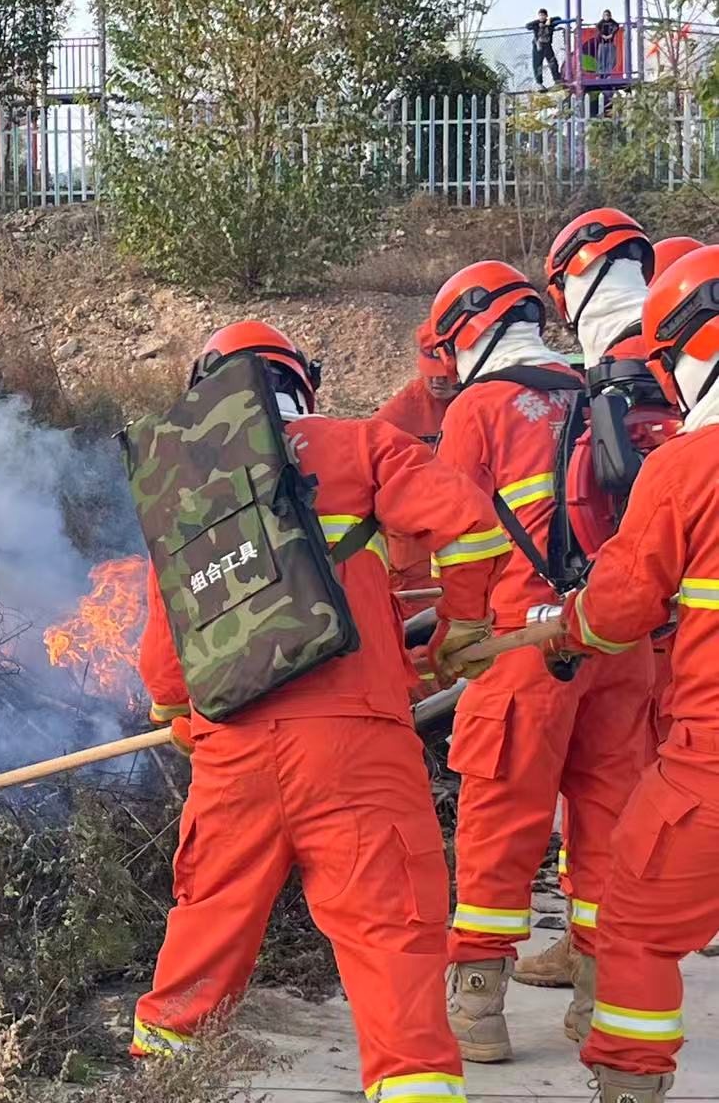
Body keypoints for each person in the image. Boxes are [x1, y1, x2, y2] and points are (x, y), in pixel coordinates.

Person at [133, 321, 510, 1103]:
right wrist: (462, 624)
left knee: (206, 929)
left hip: (235, 751)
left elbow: (166, 666)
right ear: (301, 381)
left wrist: (183, 721)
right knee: (393, 943)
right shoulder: (361, 444)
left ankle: (160, 1078)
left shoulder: (184, 482)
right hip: (357, 746)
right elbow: (469, 524)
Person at [427, 261, 654, 1063]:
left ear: (464, 332)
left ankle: (479, 1005)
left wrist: (453, 632)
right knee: (610, 823)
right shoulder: (608, 392)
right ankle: (598, 1001)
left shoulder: (481, 408)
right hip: (615, 646)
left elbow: (458, 537)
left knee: (500, 815)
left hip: (524, 646)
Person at [546, 246, 719, 1103]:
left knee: (636, 927)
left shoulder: (687, 469)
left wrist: (561, 628)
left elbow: (617, 610)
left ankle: (628, 1086)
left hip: (710, 765)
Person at [510, 210, 669, 993]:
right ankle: (593, 954)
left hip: (643, 618)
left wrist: (579, 616)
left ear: (574, 277)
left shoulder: (626, 364)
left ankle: (627, 952)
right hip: (651, 622)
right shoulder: (660, 355)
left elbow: (615, 513)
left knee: (634, 786)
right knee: (614, 786)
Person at [377, 320, 460, 601]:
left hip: (468, 542)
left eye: (444, 373)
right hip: (414, 556)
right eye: (429, 372)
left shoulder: (482, 403)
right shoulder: (397, 415)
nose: (437, 380)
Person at [527, 9, 566, 89]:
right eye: (540, 15)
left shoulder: (550, 23)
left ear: (546, 16)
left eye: (543, 15)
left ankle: (557, 79)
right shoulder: (536, 24)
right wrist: (538, 23)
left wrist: (549, 20)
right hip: (538, 46)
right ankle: (539, 83)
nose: (542, 17)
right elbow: (527, 26)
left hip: (547, 46)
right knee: (538, 65)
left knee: (553, 62)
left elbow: (559, 18)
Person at [596, 9, 621, 78]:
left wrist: (612, 34)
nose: (606, 17)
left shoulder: (613, 22)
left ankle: (607, 74)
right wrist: (603, 35)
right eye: (605, 15)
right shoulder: (601, 23)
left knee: (609, 59)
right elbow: (598, 28)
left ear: (610, 16)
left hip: (610, 43)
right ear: (603, 16)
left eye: (608, 15)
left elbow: (616, 26)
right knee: (601, 59)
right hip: (602, 43)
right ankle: (600, 74)